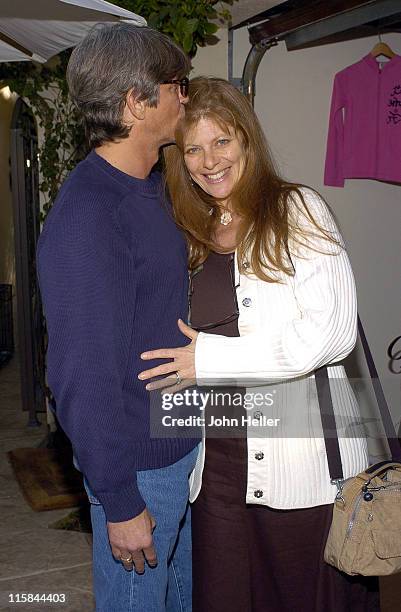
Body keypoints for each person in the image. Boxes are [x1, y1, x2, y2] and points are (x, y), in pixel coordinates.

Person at [138, 77, 380, 611]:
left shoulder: (299, 210)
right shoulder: (193, 231)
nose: (208, 160)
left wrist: (209, 360)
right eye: (193, 148)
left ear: (247, 139)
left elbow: (332, 333)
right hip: (218, 469)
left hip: (301, 466)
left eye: (221, 141)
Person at [37, 23, 199, 612]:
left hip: (175, 449)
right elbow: (80, 375)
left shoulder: (147, 188)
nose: (186, 96)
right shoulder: (88, 218)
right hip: (137, 470)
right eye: (176, 84)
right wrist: (120, 500)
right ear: (136, 101)